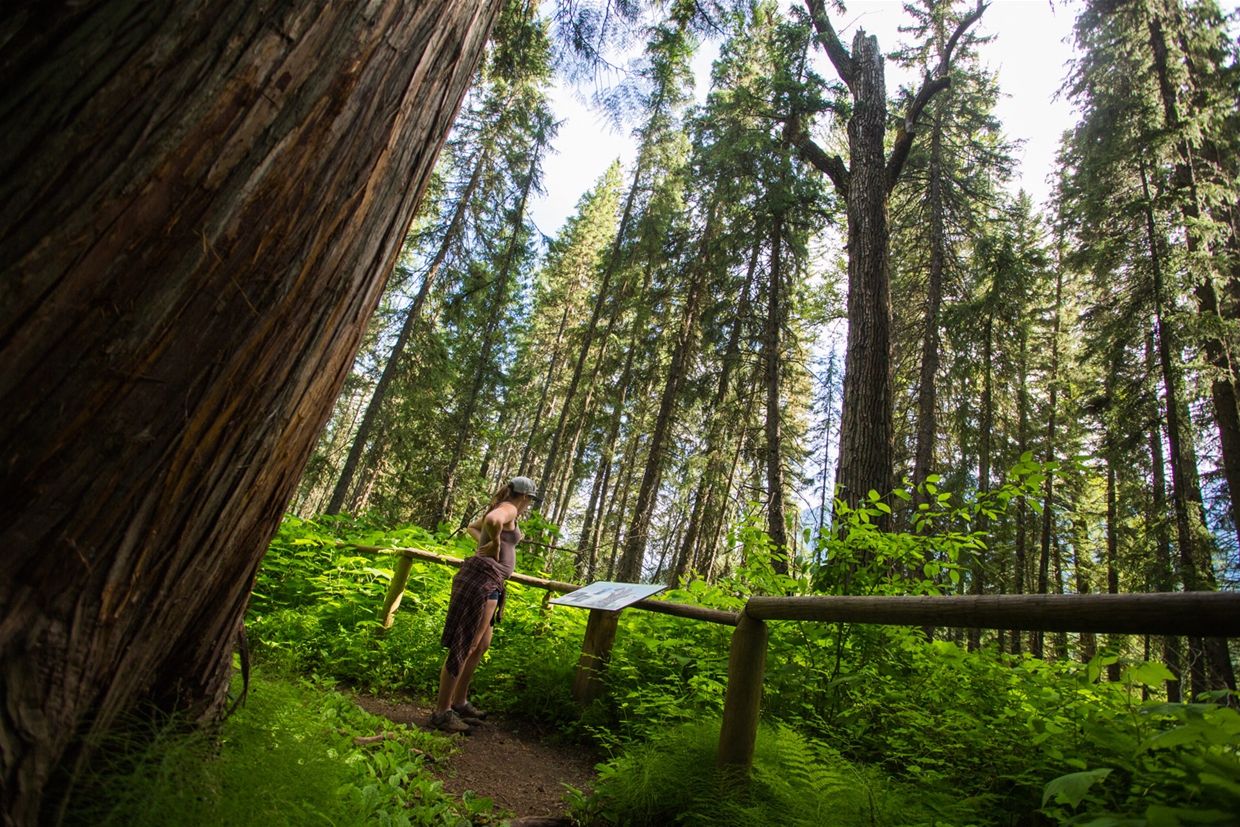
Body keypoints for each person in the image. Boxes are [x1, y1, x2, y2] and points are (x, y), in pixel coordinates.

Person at [427, 476, 540, 734]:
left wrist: (487, 543)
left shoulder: (503, 507)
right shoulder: (509, 508)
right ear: (524, 497)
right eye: (530, 500)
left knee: (481, 645)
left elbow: (473, 526)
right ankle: (441, 712)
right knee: (466, 645)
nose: (528, 505)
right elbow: (490, 522)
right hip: (483, 580)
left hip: (490, 580)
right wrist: (496, 545)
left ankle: (459, 702)